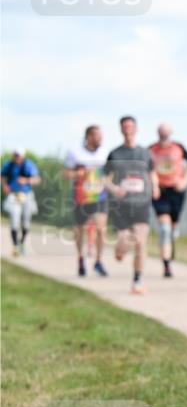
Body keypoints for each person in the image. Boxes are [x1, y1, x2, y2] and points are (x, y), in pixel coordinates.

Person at [104, 116, 159, 295]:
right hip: (122, 205)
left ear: (136, 129)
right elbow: (105, 179)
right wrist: (114, 189)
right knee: (124, 240)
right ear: (121, 130)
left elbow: (152, 173)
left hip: (142, 203)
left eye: (130, 126)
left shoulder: (145, 153)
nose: (128, 130)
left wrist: (156, 187)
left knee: (141, 241)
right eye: (125, 127)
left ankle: (137, 281)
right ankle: (120, 250)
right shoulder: (115, 154)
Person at [149, 123, 187, 277]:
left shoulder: (179, 147)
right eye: (161, 132)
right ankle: (166, 265)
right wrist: (154, 186)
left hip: (176, 191)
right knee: (165, 228)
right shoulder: (151, 149)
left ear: (170, 132)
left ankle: (171, 240)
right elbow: (147, 169)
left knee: (173, 228)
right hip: (160, 192)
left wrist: (185, 181)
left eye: (166, 132)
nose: (164, 134)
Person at [63, 125, 110, 277]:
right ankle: (81, 259)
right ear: (89, 137)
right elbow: (66, 173)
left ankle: (98, 261)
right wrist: (78, 174)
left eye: (101, 135)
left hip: (99, 196)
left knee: (101, 228)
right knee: (80, 230)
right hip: (81, 197)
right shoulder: (75, 153)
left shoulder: (105, 153)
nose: (100, 138)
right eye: (97, 136)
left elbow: (110, 173)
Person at [2, 147, 41, 256]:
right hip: (13, 195)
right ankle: (15, 246)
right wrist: (4, 186)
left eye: (18, 155)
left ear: (23, 156)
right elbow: (2, 176)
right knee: (14, 220)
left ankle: (22, 243)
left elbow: (37, 179)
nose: (16, 157)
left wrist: (26, 180)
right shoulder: (8, 165)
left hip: (27, 195)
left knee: (26, 222)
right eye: (15, 155)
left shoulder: (29, 165)